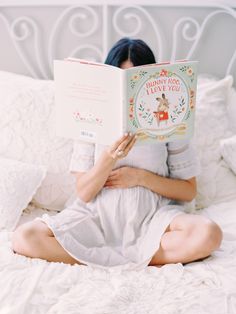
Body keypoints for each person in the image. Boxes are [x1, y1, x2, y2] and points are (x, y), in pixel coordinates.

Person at [12, 38, 223, 270]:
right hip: (96, 218)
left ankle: (103, 258)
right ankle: (135, 259)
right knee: (25, 237)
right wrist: (109, 158)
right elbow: (83, 192)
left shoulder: (171, 122)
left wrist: (140, 178)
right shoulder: (89, 122)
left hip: (153, 217)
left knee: (209, 233)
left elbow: (188, 190)